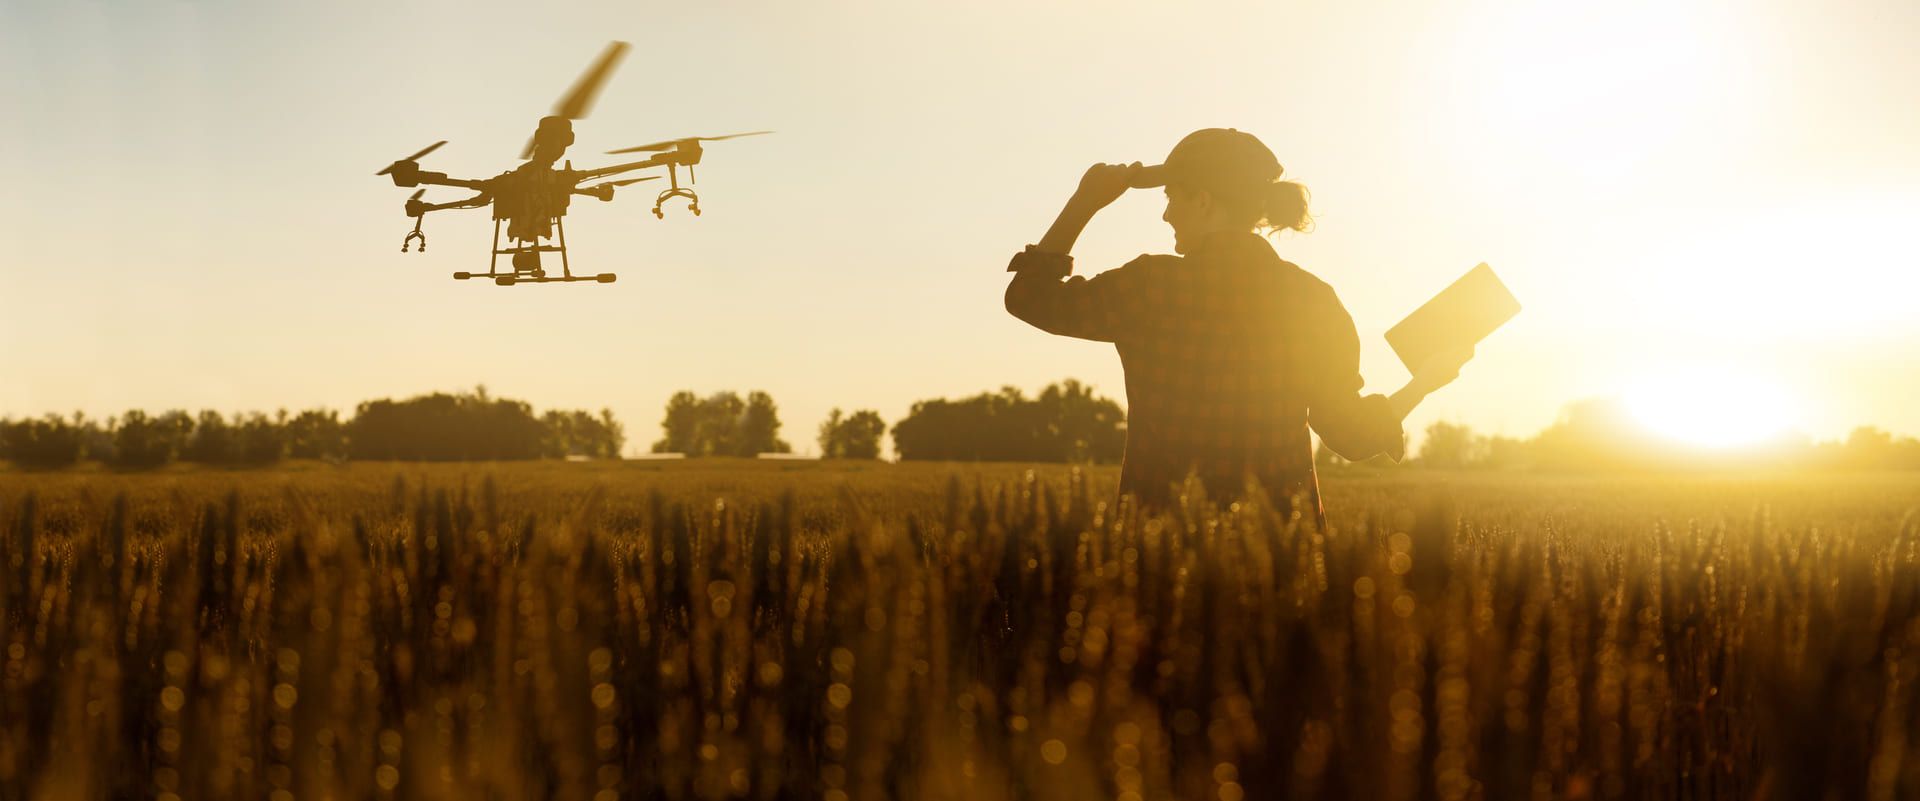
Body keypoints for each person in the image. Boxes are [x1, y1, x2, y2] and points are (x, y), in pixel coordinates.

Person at [1003, 128, 1472, 527]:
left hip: (1159, 549)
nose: (1166, 214)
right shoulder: (1311, 300)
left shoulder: (1149, 287)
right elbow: (1349, 435)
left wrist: (1084, 202)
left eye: (1171, 198)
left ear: (1203, 201)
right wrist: (1424, 383)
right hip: (1280, 555)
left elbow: (1029, 298)